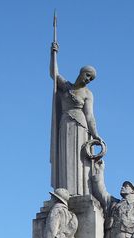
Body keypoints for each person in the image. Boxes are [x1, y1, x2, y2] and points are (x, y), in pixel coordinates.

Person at [50, 41, 101, 196]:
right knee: (65, 157)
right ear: (81, 72)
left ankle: (80, 192)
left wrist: (96, 134)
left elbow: (90, 115)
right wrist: (53, 54)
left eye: (90, 79)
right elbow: (54, 73)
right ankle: (65, 191)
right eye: (87, 75)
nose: (87, 80)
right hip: (65, 123)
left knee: (80, 160)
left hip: (81, 126)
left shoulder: (88, 94)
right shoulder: (66, 86)